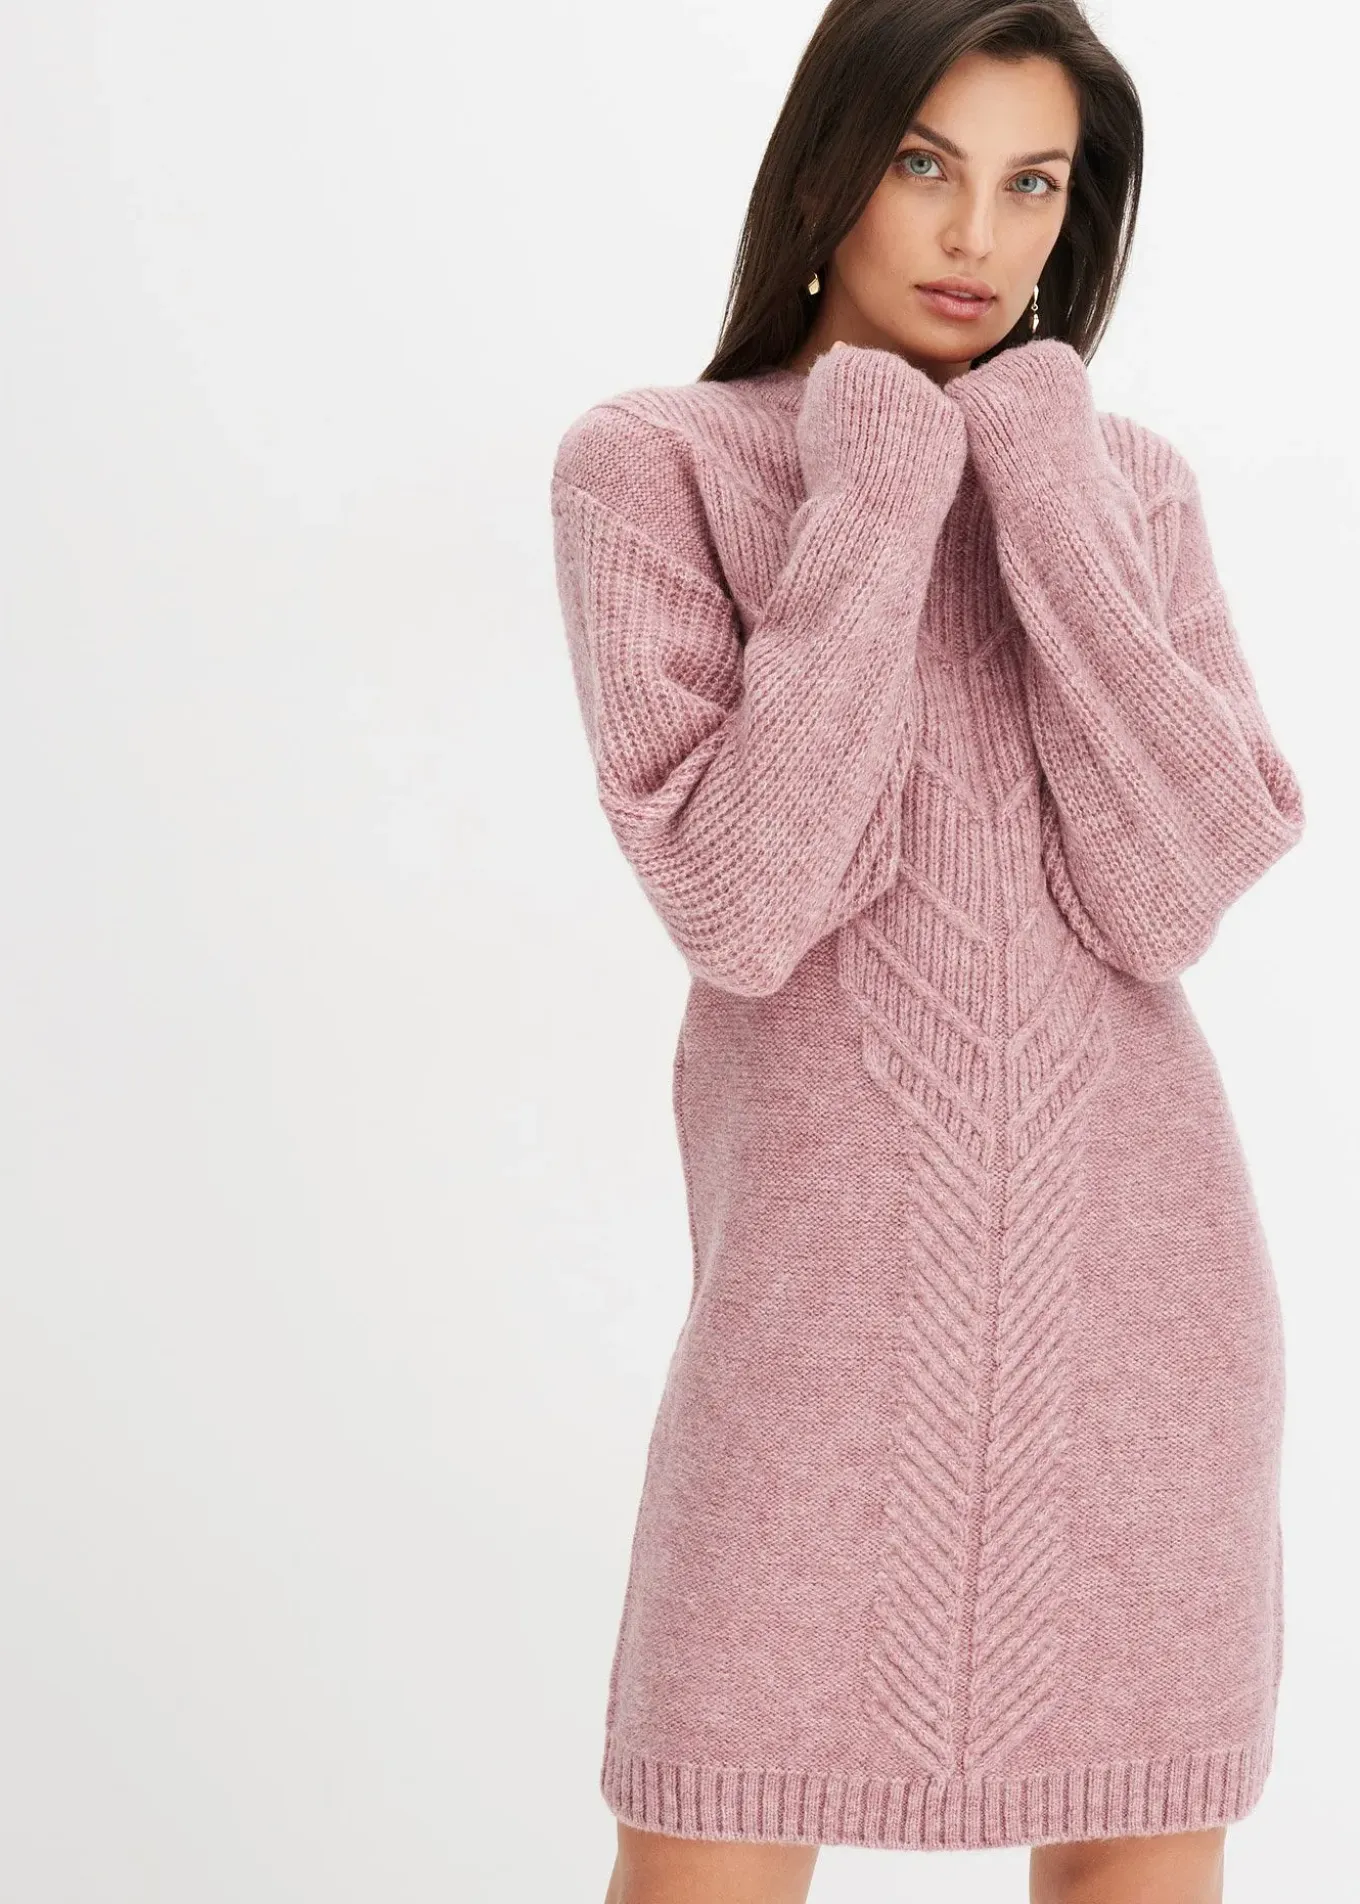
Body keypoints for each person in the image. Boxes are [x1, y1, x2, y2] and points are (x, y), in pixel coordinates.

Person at [548, 2, 1306, 1899]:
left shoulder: (1128, 485)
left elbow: (1169, 893)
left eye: (1032, 183)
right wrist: (878, 494)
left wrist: (1041, 486)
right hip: (811, 1331)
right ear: (833, 164)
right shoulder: (656, 464)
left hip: (1143, 1319)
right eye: (924, 165)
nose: (978, 235)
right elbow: (746, 903)